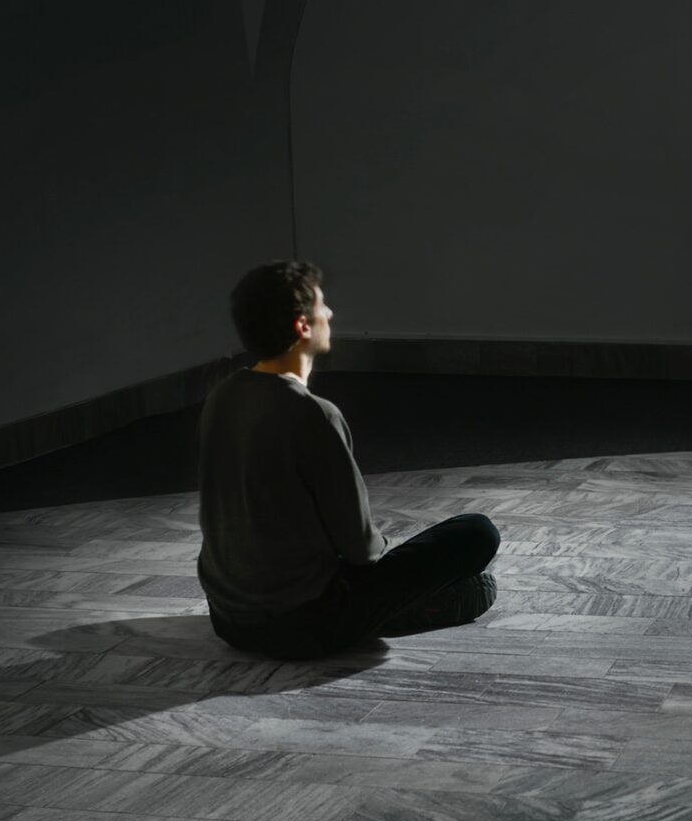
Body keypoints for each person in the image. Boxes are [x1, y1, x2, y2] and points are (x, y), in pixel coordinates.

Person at [197, 260, 499, 657]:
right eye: (322, 306)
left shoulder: (222, 395)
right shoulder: (313, 413)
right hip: (301, 626)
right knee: (477, 532)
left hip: (226, 618)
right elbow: (362, 550)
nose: (330, 314)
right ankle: (398, 612)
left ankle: (383, 611)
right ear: (303, 327)